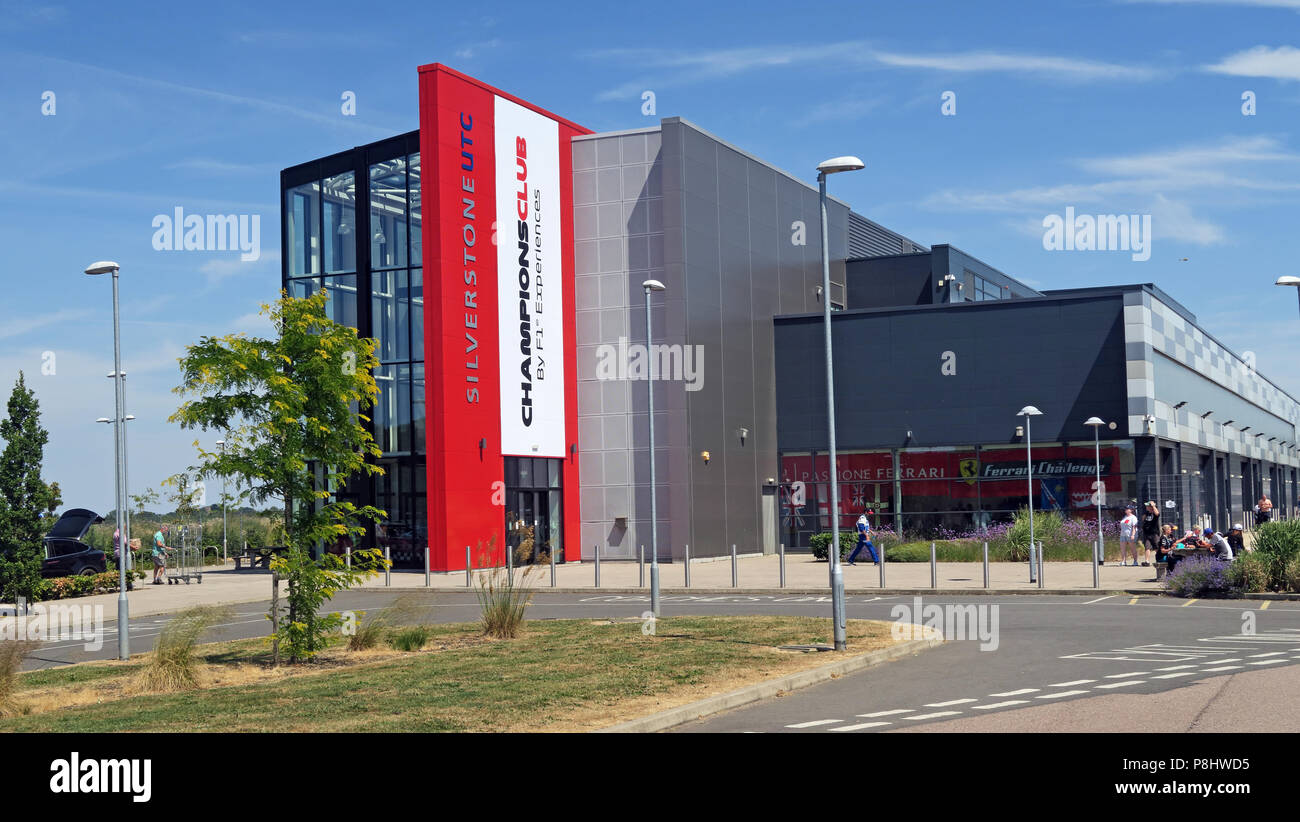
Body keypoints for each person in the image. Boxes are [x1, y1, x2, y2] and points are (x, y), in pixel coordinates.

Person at [1140, 501, 1160, 567]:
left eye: (1148, 506)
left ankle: (1160, 559)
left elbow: (1157, 514)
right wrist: (1147, 512)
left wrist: (1153, 506)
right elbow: (1143, 519)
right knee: (1147, 547)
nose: (1146, 507)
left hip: (1154, 533)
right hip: (1147, 533)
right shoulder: (1147, 513)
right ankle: (1147, 561)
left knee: (1156, 547)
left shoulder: (1154, 514)